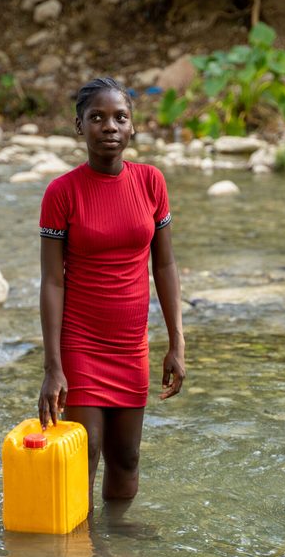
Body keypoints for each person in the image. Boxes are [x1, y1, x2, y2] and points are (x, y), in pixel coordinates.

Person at [38, 77, 185, 513]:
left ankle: (119, 551)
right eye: (97, 117)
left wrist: (176, 341)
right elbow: (51, 281)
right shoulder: (61, 193)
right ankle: (77, 553)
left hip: (130, 344)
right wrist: (52, 366)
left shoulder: (151, 183)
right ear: (79, 127)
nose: (109, 126)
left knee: (127, 457)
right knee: (86, 452)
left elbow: (165, 265)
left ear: (133, 127)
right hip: (81, 340)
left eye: (120, 117)